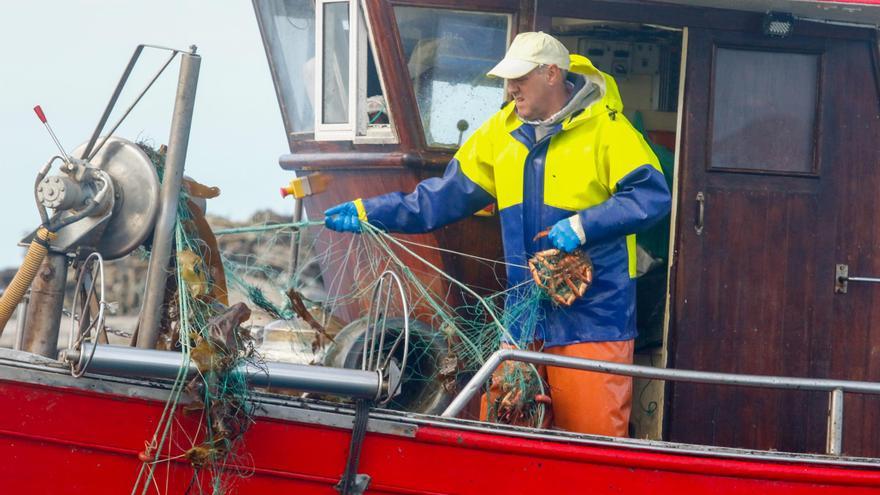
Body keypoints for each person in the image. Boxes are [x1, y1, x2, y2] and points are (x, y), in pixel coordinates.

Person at [324, 32, 671, 437]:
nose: (510, 89)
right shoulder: (499, 133)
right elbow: (441, 199)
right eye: (507, 80)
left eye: (520, 78)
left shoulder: (609, 131)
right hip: (523, 320)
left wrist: (581, 226)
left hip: (593, 322)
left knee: (591, 442)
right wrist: (372, 212)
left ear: (552, 74)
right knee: (502, 436)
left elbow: (651, 196)